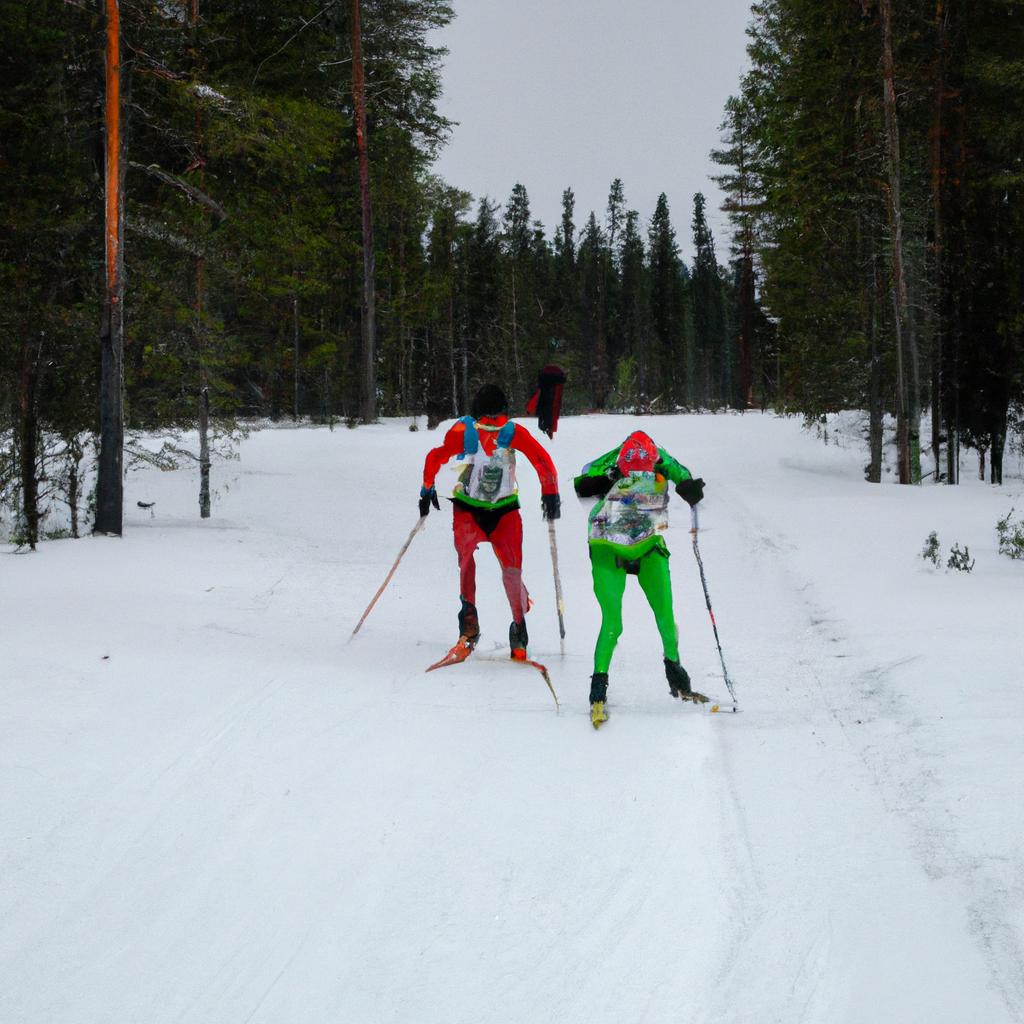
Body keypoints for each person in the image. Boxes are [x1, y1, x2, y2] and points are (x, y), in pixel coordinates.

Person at [573, 430, 705, 727]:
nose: (637, 476)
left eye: (643, 471)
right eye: (630, 473)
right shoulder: (613, 458)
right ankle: (598, 690)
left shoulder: (661, 458)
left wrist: (689, 487)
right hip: (607, 544)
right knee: (612, 623)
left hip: (647, 545)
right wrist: (603, 477)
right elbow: (584, 477)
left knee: (665, 617)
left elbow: (683, 475)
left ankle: (676, 675)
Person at [420, 384, 560, 660]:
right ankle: (500, 627)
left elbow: (435, 457)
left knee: (481, 565)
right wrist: (550, 493)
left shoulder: (472, 431)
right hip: (487, 509)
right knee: (503, 569)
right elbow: (542, 461)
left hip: (483, 510)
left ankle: (486, 626)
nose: (492, 426)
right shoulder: (507, 432)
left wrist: (427, 488)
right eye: (489, 420)